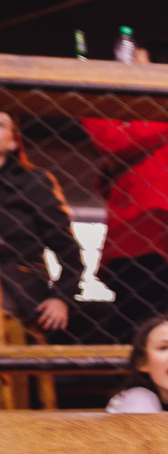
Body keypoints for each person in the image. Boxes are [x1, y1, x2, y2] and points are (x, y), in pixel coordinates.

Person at [83, 40, 168, 343]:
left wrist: (86, 102)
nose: (131, 70)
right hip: (139, 231)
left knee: (140, 323)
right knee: (134, 319)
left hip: (152, 230)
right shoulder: (152, 118)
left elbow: (114, 142)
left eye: (140, 63)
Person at [0, 111, 84, 335]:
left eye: (1, 124)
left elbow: (68, 251)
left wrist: (61, 297)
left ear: (13, 141)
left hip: (16, 289)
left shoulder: (33, 183)